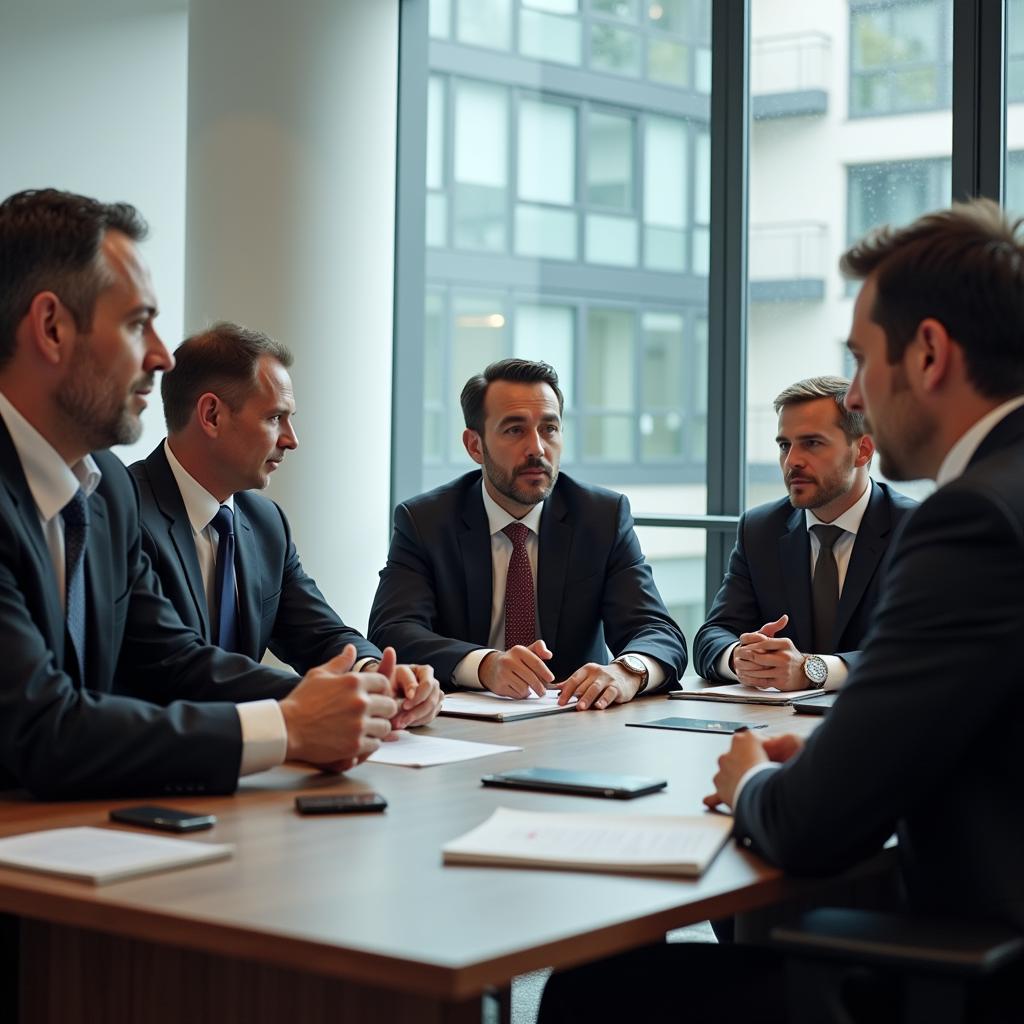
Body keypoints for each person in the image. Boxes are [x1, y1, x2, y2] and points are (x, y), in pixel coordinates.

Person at [540, 200, 1024, 1022]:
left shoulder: (968, 519)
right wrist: (842, 747)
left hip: (973, 968)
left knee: (592, 993)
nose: (863, 393)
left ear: (931, 352)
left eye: (863, 361)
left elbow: (808, 829)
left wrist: (757, 778)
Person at [0, 188, 397, 799]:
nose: (161, 356)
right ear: (52, 328)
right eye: (137, 324)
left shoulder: (103, 495)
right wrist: (285, 727)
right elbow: (40, 727)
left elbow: (171, 659)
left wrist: (343, 699)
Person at [131, 323, 441, 731]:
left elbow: (320, 634)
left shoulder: (265, 523)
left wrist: (376, 673)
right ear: (211, 415)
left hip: (252, 763)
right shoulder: (125, 511)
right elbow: (173, 664)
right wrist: (316, 695)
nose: (291, 439)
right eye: (275, 418)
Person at [368, 358, 687, 710]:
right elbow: (392, 632)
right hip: (460, 723)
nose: (536, 448)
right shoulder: (426, 521)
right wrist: (484, 665)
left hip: (575, 722)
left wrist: (628, 671)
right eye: (514, 430)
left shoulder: (600, 517)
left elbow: (658, 632)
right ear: (475, 445)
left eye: (549, 429)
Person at [693, 376, 916, 691]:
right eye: (785, 445)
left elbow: (919, 650)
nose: (791, 461)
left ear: (863, 450)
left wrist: (815, 669)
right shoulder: (761, 528)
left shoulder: (916, 529)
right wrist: (741, 658)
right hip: (776, 726)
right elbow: (712, 636)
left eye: (812, 443)